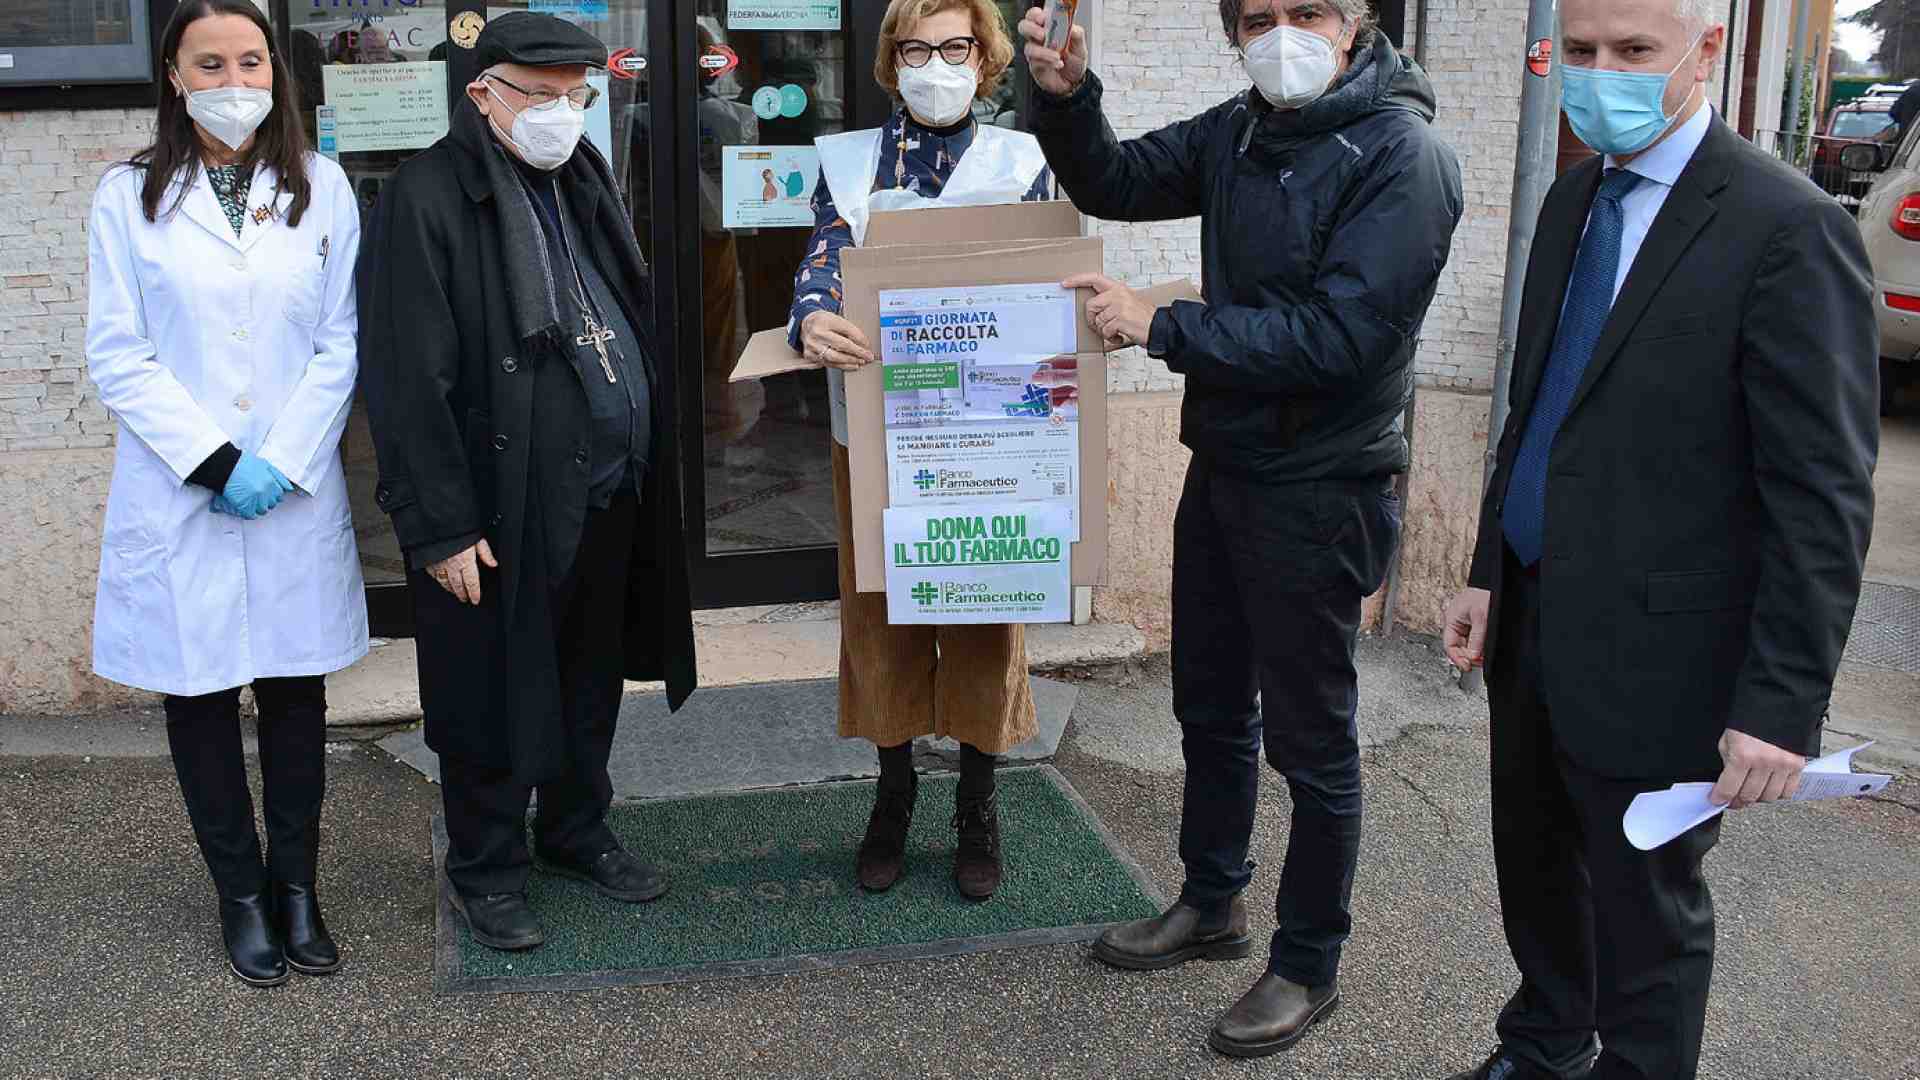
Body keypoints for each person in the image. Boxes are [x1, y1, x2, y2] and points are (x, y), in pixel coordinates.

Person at [1435, 0, 1878, 1073]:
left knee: (1645, 918)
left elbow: (1821, 494)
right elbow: (1538, 407)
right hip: (1537, 613)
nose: (1602, 76)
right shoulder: (1573, 198)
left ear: (1705, 49)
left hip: (1665, 651)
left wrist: (1778, 707)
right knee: (1534, 868)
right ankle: (1544, 1044)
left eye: (1634, 52)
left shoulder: (1787, 226)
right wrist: (1491, 567)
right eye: (1580, 52)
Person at [1021, 0, 1463, 1058]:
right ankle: (1211, 901)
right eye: (1257, 14)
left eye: (1306, 9)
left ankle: (1307, 964)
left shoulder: (1405, 154)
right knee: (1210, 704)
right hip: (1225, 464)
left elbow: (1347, 337)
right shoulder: (1242, 125)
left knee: (1314, 741)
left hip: (1324, 485)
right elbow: (1117, 181)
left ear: (1356, 21)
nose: (1281, 32)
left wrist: (1163, 324)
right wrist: (1069, 98)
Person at [357, 12, 697, 953]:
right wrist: (437, 527)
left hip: (602, 486)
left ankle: (576, 829)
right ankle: (486, 866)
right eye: (537, 94)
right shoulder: (426, 198)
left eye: (575, 97)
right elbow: (403, 377)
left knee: (586, 674)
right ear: (481, 93)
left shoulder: (581, 177)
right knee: (494, 692)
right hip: (497, 503)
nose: (559, 113)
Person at [86, 0, 365, 987]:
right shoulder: (126, 199)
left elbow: (339, 344)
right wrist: (215, 462)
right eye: (211, 63)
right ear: (174, 74)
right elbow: (119, 358)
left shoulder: (323, 187)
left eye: (250, 59)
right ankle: (240, 895)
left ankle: (298, 889)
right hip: (182, 491)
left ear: (275, 72)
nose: (234, 79)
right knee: (199, 694)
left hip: (290, 487)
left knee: (295, 694)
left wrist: (281, 462)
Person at [788, 0, 1053, 901]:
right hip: (874, 427)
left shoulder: (1023, 158)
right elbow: (821, 259)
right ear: (890, 60)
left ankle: (978, 798)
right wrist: (814, 315)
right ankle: (893, 789)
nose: (935, 63)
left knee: (985, 604)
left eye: (954, 46)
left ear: (984, 58)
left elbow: (1050, 275)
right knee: (882, 612)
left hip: (996, 431)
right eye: (916, 47)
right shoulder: (852, 160)